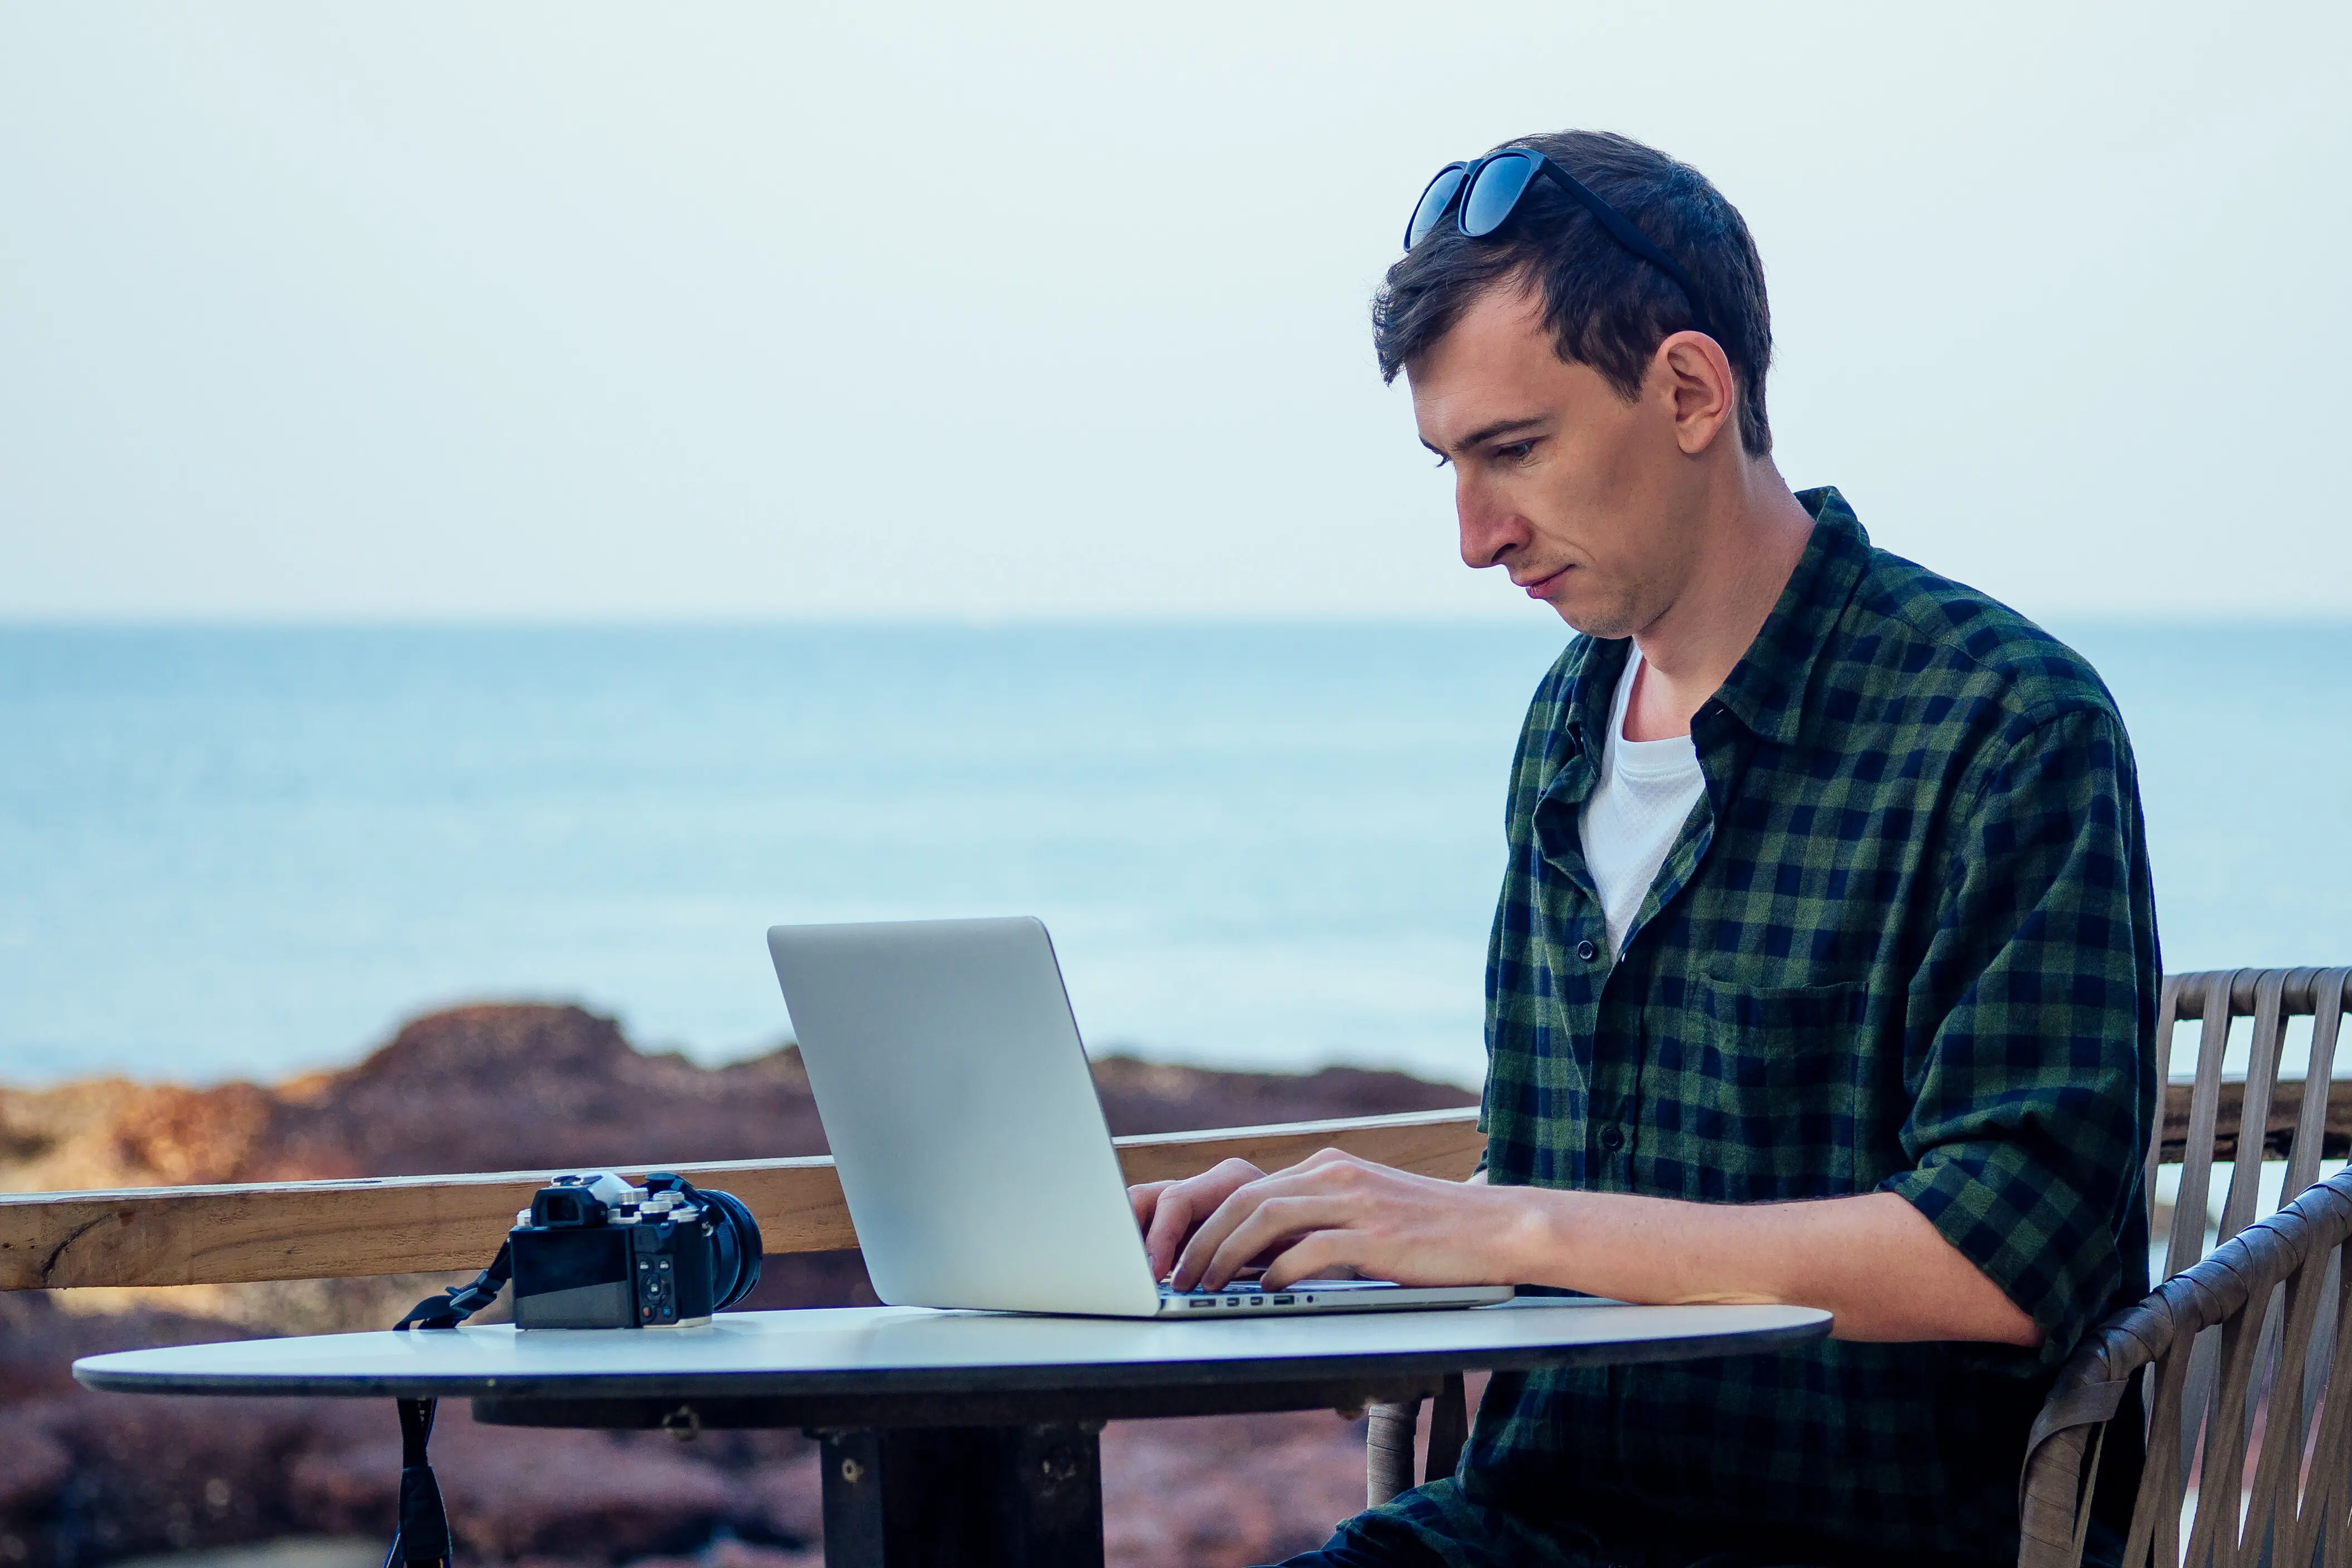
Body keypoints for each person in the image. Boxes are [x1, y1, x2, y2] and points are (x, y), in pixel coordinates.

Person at [1128, 130, 2159, 1568]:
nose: (1475, 537)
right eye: (1447, 464)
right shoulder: (1568, 723)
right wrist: (1320, 1230)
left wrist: (1504, 1232)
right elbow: (1571, 1181)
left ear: (1689, 391)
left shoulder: (2002, 723)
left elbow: (2008, 1250)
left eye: (1513, 451)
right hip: (1527, 1523)